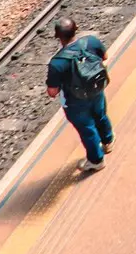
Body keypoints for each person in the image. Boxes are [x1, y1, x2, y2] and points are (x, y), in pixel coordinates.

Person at [45, 18, 112, 172]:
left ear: (58, 37)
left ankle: (96, 160)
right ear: (77, 29)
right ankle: (108, 141)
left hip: (75, 102)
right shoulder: (91, 42)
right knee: (100, 115)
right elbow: (105, 57)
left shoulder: (57, 63)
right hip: (96, 90)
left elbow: (52, 92)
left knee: (87, 129)